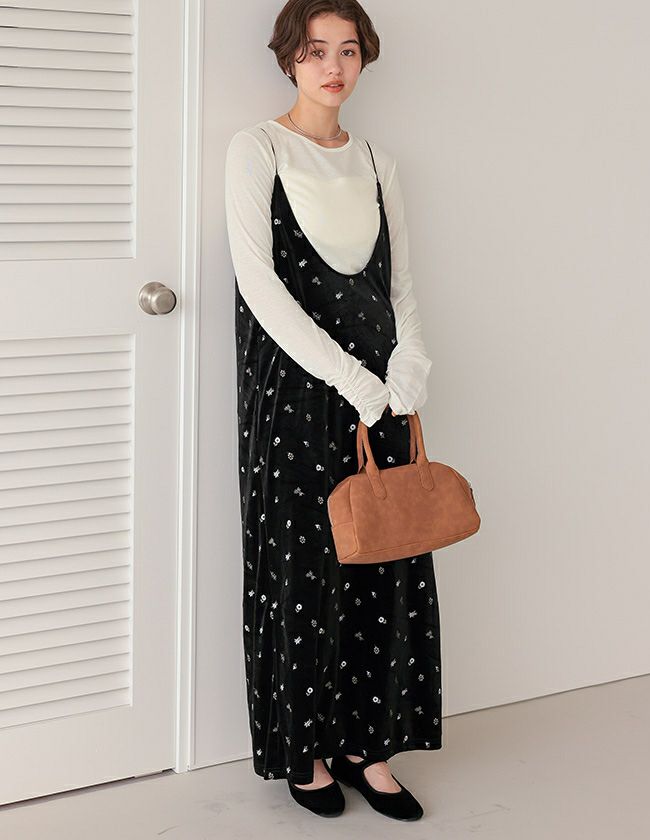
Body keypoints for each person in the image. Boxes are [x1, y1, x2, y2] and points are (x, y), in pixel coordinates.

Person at [225, 0, 441, 821]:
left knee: (383, 558)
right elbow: (259, 284)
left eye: (348, 50)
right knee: (302, 568)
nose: (333, 67)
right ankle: (305, 749)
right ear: (290, 57)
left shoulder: (379, 159)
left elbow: (400, 282)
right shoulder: (257, 148)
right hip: (295, 392)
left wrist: (409, 363)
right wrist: (348, 375)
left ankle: (366, 745)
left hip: (382, 393)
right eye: (316, 50)